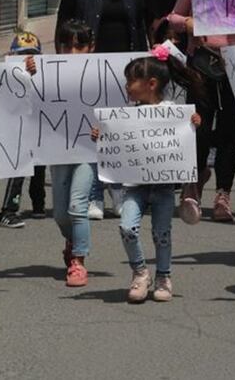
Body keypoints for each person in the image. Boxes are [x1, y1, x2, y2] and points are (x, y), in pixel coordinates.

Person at [94, 45, 203, 304]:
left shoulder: (172, 111)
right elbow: (117, 141)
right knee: (127, 227)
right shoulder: (125, 116)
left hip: (163, 186)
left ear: (151, 84)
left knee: (161, 233)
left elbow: (184, 137)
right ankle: (141, 272)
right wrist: (101, 135)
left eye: (131, 81)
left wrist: (194, 123)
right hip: (135, 186)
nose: (127, 87)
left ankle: (163, 276)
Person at [58, 0, 148, 219]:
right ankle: (94, 194)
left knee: (119, 132)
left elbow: (139, 25)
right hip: (90, 72)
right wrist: (65, 64)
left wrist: (143, 63)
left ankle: (118, 189)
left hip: (125, 72)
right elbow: (64, 27)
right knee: (94, 132)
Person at [18, 21, 98, 288]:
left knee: (78, 205)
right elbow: (29, 100)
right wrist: (30, 74)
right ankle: (72, 240)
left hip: (87, 150)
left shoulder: (101, 72)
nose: (73, 52)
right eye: (66, 46)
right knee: (61, 214)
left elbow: (116, 104)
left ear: (91, 47)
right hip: (58, 150)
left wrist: (104, 129)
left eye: (79, 46)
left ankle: (78, 261)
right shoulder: (47, 71)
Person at [166, 0, 235, 224]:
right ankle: (192, 184)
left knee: (229, 133)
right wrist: (189, 23)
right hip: (201, 65)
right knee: (199, 128)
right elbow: (173, 17)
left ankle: (223, 194)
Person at [0, 31, 47, 228]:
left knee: (40, 164)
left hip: (37, 127)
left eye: (32, 54)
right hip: (17, 129)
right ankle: (8, 209)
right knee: (19, 167)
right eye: (22, 55)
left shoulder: (44, 75)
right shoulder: (8, 76)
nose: (27, 59)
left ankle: (38, 203)